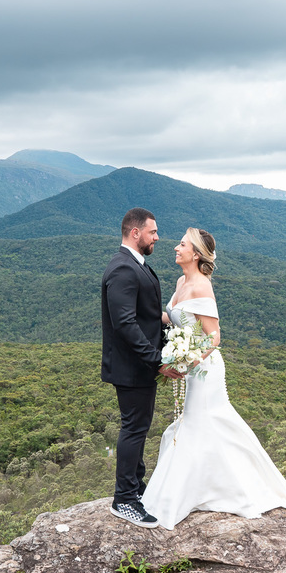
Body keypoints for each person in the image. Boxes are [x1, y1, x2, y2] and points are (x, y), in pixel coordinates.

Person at [142, 228, 286, 531]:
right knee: (199, 424)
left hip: (205, 369)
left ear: (195, 254)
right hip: (191, 368)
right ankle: (204, 487)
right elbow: (171, 317)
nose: (175, 247)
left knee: (203, 423)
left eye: (182, 244)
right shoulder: (181, 282)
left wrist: (189, 357)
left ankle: (219, 492)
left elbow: (214, 337)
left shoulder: (202, 287)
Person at [100, 208, 181, 527]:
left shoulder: (135, 265)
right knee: (133, 428)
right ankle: (124, 499)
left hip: (139, 366)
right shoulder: (122, 268)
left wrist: (172, 328)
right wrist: (157, 359)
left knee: (139, 427)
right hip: (132, 367)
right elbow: (125, 324)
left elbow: (144, 316)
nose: (157, 238)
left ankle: (136, 488)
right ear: (135, 233)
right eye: (153, 232)